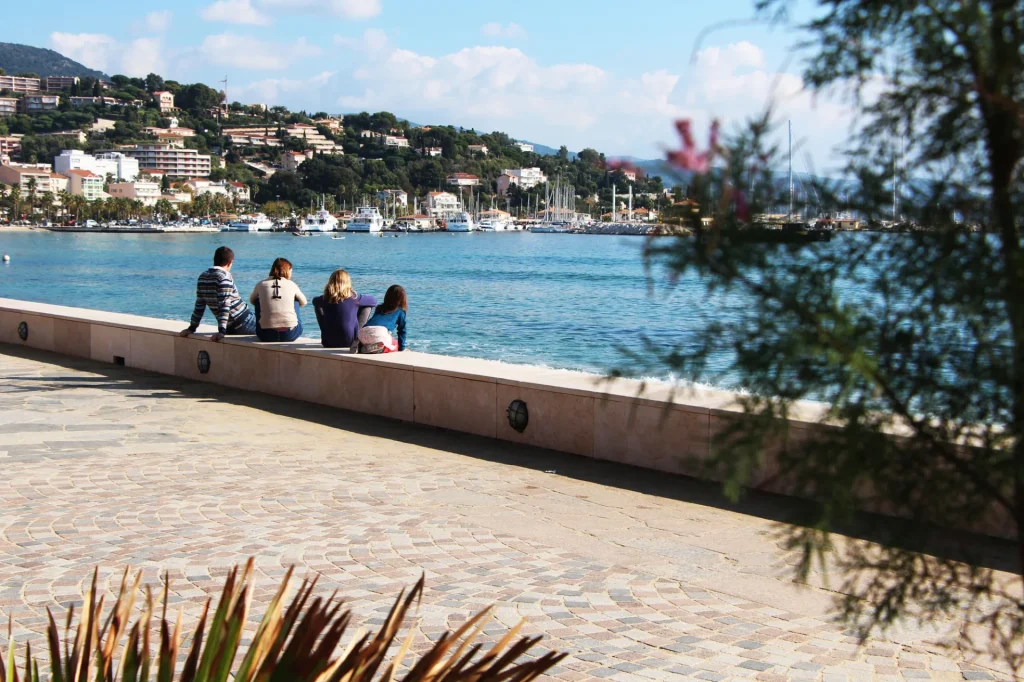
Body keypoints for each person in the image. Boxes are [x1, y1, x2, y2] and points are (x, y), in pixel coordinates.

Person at [180, 246, 255, 341]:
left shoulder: (202, 277)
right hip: (244, 321)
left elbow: (199, 305)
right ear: (230, 262)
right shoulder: (224, 277)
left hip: (230, 327)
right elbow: (225, 304)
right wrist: (222, 331)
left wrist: (192, 328)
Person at [313, 269, 378, 350]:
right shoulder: (355, 298)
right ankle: (358, 338)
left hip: (327, 341)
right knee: (366, 306)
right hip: (350, 341)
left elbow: (314, 301)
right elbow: (374, 301)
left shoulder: (323, 299)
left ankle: (326, 331)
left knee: (318, 306)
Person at [249, 257, 307, 342]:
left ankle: (265, 324)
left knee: (258, 300)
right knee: (296, 300)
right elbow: (304, 302)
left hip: (265, 335)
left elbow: (252, 300)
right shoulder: (291, 284)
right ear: (287, 270)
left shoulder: (261, 284)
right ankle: (290, 324)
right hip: (289, 334)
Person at [359, 285, 408, 353]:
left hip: (363, 331)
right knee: (395, 344)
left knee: (373, 338)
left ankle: (360, 346)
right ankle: (381, 348)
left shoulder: (379, 308)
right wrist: (401, 348)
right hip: (379, 332)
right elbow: (402, 331)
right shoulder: (400, 311)